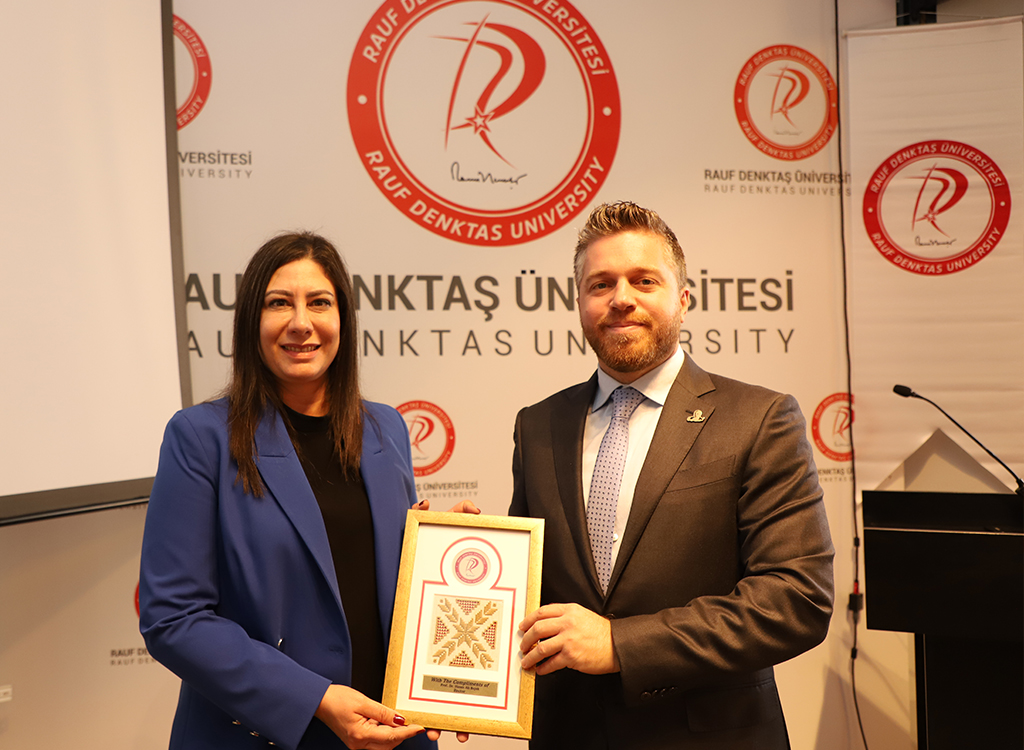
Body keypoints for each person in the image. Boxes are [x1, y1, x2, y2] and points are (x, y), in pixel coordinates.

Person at [510, 202, 835, 749]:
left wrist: (621, 644)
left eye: (644, 280)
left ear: (683, 299)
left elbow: (795, 599)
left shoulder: (759, 418)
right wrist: (466, 550)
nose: (621, 298)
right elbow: (528, 589)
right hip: (569, 734)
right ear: (579, 303)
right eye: (600, 284)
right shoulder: (539, 425)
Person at [140, 232, 474, 750]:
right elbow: (173, 618)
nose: (301, 322)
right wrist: (315, 698)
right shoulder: (200, 437)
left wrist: (444, 555)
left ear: (342, 318)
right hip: (263, 737)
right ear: (251, 322)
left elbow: (375, 583)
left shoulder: (385, 428)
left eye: (319, 302)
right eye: (279, 303)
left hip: (391, 731)